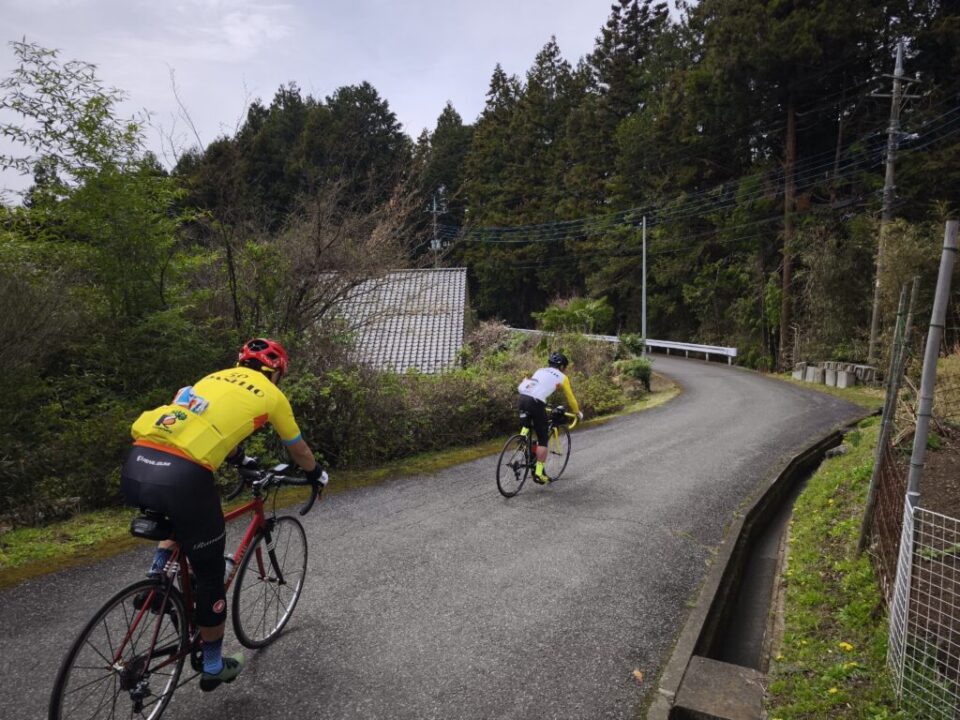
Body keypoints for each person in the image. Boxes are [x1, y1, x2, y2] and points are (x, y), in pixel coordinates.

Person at [120, 338, 327, 692]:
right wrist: (314, 473)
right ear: (276, 373)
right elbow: (299, 448)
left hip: (138, 463)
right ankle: (213, 664)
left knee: (182, 522)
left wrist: (237, 458)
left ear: (239, 362)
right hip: (182, 475)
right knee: (211, 569)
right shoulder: (272, 395)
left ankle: (157, 580)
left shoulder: (211, 378)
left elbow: (199, 422)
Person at [516, 351, 583, 484]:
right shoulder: (562, 377)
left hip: (522, 397)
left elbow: (539, 385)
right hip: (536, 401)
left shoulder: (540, 370)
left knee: (527, 426)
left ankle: (523, 443)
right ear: (563, 367)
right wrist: (577, 412)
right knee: (543, 439)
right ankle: (539, 473)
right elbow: (571, 398)